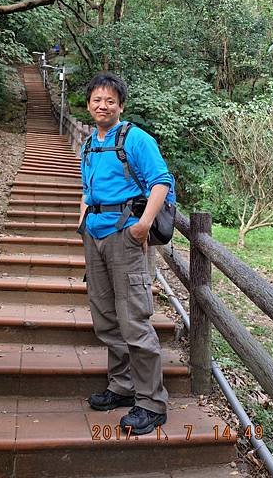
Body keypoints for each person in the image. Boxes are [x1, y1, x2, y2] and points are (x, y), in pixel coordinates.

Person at [78, 71, 175, 435]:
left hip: (126, 235)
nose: (102, 106)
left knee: (133, 318)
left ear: (121, 105)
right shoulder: (89, 143)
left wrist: (142, 225)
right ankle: (122, 386)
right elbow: (86, 189)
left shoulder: (136, 139)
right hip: (96, 234)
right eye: (96, 100)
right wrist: (82, 220)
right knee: (105, 317)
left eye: (110, 100)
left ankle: (151, 403)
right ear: (88, 104)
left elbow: (161, 181)